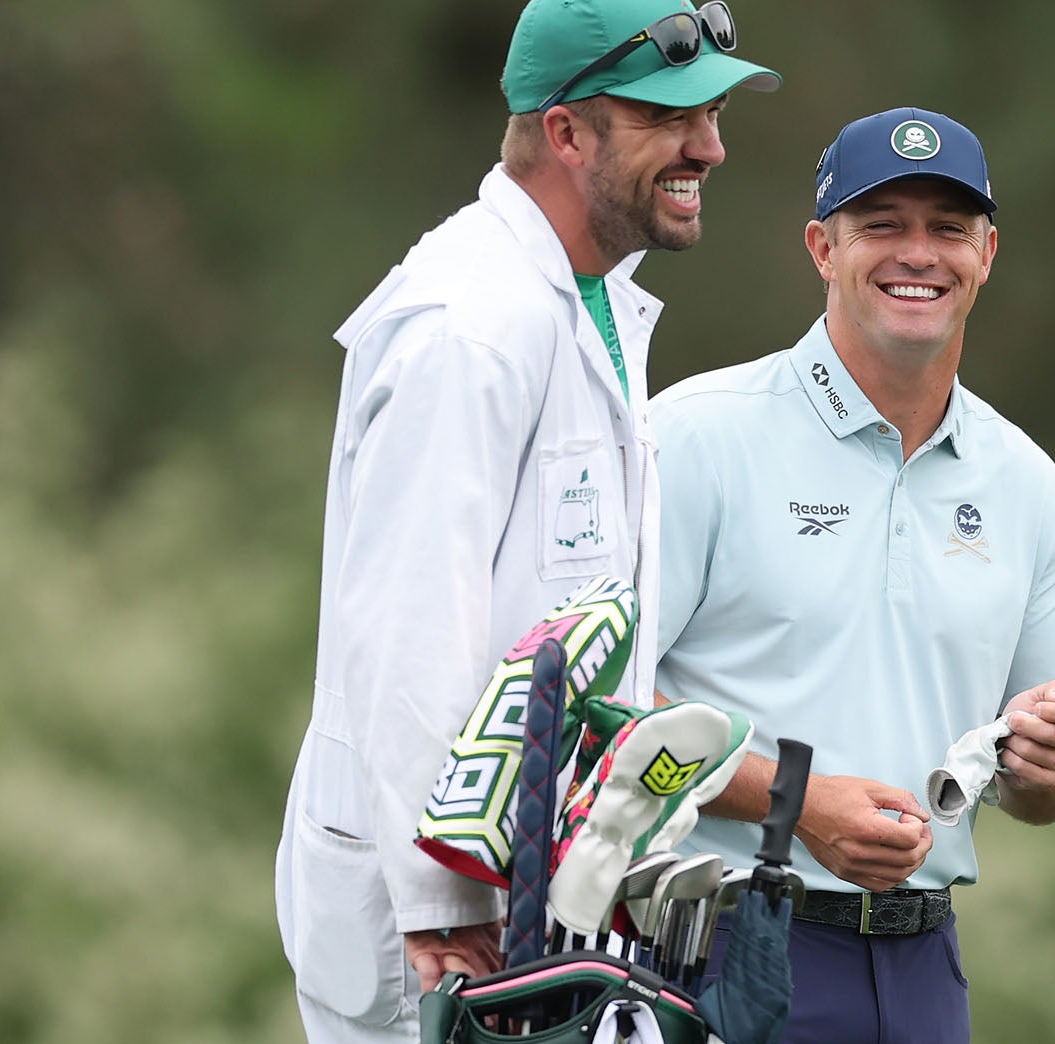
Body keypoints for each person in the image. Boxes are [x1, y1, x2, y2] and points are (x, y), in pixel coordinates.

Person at [273, 2, 778, 1040]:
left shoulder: (587, 296)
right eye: (670, 118)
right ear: (565, 131)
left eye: (714, 115)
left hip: (537, 900)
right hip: (438, 930)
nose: (709, 147)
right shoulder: (471, 323)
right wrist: (445, 906)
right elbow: (409, 629)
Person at [650, 107, 1055, 1043]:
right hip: (718, 944)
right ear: (823, 249)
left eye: (948, 228)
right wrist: (795, 806)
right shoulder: (696, 435)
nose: (919, 254)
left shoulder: (1026, 482)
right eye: (882, 225)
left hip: (924, 968)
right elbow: (596, 705)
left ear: (987, 253)